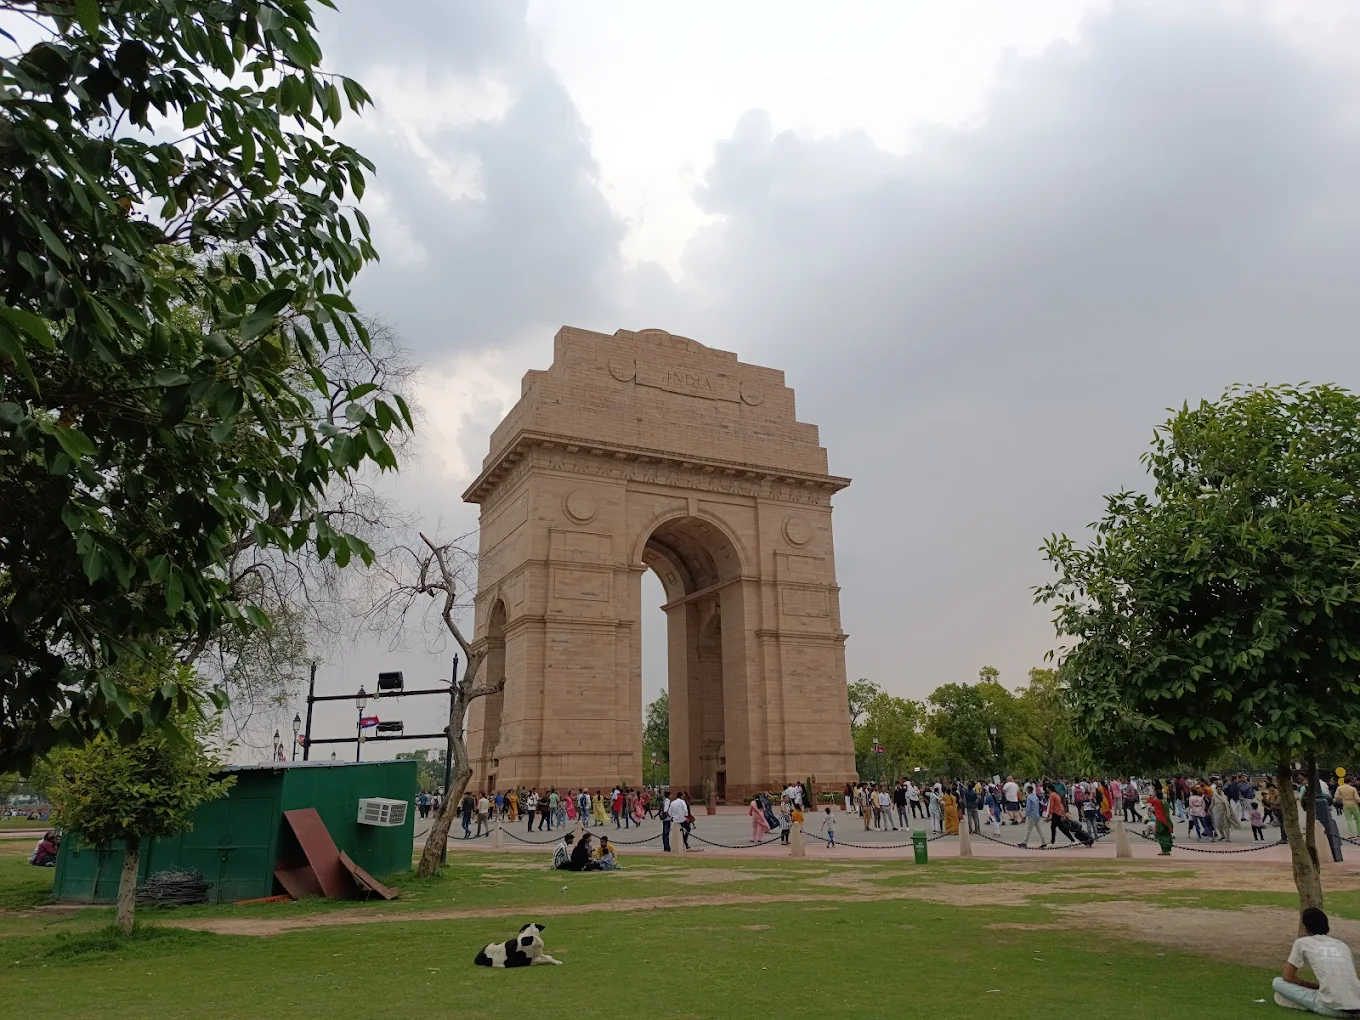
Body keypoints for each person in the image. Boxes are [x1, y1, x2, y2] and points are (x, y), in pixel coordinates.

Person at [1273, 907, 1360, 1016]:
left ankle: (1306, 1001)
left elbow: (1287, 976)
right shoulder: (1342, 945)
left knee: (1277, 982)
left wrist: (1313, 986)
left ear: (1306, 928)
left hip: (1330, 1007)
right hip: (1357, 1005)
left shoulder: (1302, 942)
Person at [1147, 785, 1174, 856]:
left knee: (1160, 835)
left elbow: (1148, 800)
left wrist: (1153, 795)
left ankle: (1163, 850)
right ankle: (1168, 850)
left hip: (1160, 820)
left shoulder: (1157, 802)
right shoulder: (1165, 802)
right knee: (1167, 835)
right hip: (1167, 821)